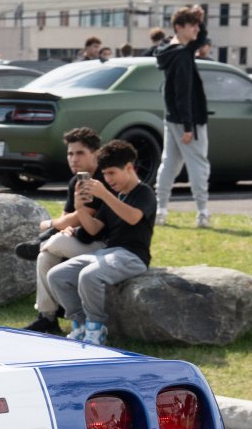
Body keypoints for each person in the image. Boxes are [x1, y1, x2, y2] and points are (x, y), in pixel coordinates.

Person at [46, 139, 157, 348]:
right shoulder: (114, 196)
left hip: (133, 256)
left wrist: (105, 194)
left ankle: (96, 328)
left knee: (89, 276)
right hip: (107, 253)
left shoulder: (144, 192)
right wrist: (80, 208)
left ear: (129, 168)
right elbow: (94, 229)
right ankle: (80, 325)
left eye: (112, 173)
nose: (108, 179)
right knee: (57, 275)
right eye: (104, 174)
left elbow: (133, 217)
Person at [15, 127, 108, 334]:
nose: (73, 159)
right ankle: (47, 318)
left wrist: (50, 224)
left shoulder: (102, 179)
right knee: (45, 257)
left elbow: (80, 217)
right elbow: (68, 217)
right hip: (81, 240)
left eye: (80, 153)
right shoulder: (77, 180)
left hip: (105, 246)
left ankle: (39, 244)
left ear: (96, 153)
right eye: (70, 153)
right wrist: (63, 227)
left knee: (54, 243)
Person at [154, 5, 211, 228]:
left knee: (169, 163)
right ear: (179, 27)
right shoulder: (183, 55)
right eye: (192, 25)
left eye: (197, 25)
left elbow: (200, 38)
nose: (196, 29)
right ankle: (202, 213)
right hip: (188, 120)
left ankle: (160, 210)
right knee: (198, 163)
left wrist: (200, 19)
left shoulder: (170, 49)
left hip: (172, 118)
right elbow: (183, 93)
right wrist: (188, 126)